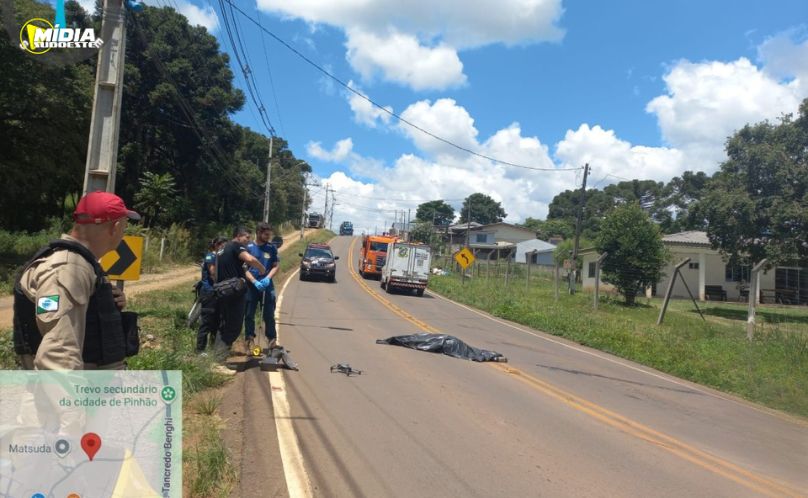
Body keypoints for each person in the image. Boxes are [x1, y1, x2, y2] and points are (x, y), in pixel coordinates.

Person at [13, 191, 140, 370]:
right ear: (116, 227)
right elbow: (58, 356)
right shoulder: (67, 270)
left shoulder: (82, 264)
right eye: (124, 227)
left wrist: (106, 305)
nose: (123, 233)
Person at [214, 227, 266, 352]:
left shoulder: (222, 249)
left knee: (224, 324)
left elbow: (240, 270)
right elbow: (250, 259)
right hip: (234, 292)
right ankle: (219, 356)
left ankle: (218, 355)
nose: (248, 240)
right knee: (234, 325)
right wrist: (261, 268)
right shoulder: (236, 245)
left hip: (222, 290)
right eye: (247, 237)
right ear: (238, 236)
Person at [243, 222, 280, 351]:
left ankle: (272, 340)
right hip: (251, 286)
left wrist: (268, 278)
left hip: (267, 285)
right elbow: (244, 269)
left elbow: (276, 266)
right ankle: (249, 339)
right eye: (265, 234)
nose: (268, 237)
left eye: (269, 235)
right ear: (258, 233)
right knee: (249, 314)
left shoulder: (272, 248)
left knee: (269, 314)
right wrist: (254, 281)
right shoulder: (248, 247)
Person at [196, 236, 228, 354]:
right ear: (217, 245)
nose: (224, 248)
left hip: (217, 292)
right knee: (206, 321)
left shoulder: (219, 257)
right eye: (223, 246)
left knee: (216, 321)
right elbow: (213, 273)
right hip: (209, 292)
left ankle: (212, 348)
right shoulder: (211, 256)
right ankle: (200, 350)